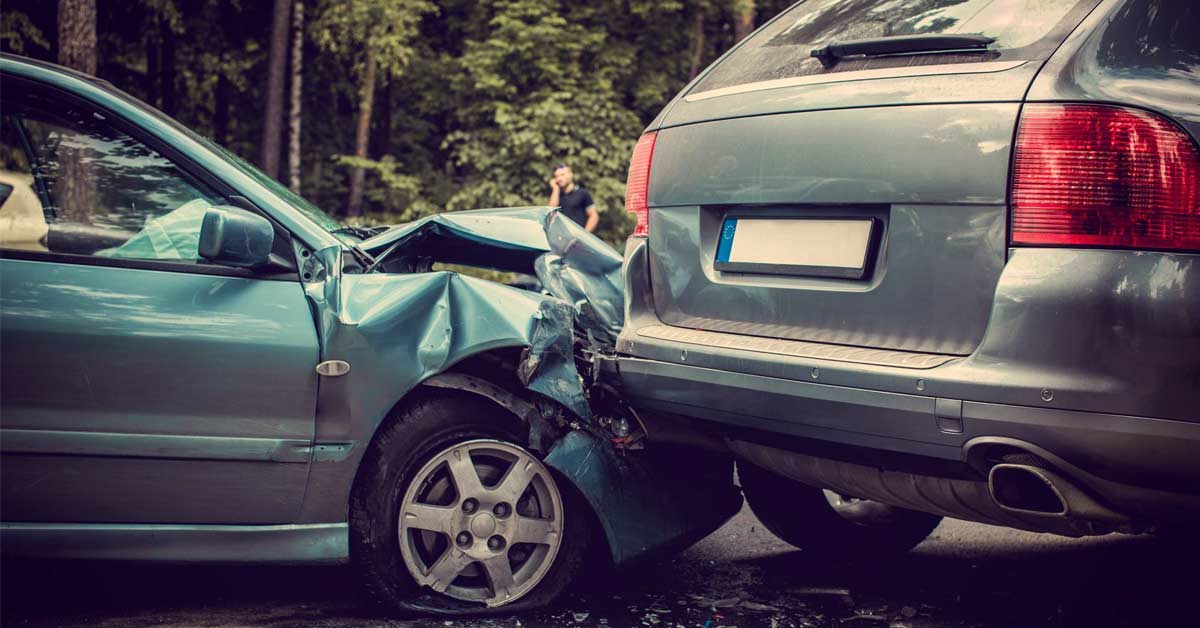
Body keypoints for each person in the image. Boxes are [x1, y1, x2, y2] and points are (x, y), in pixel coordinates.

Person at [547, 163, 598, 232]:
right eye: (556, 176)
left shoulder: (582, 193)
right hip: (560, 238)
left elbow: (594, 216)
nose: (559, 179)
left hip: (578, 239)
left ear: (570, 174)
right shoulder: (556, 194)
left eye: (562, 175)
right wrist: (556, 189)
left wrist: (584, 234)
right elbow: (550, 212)